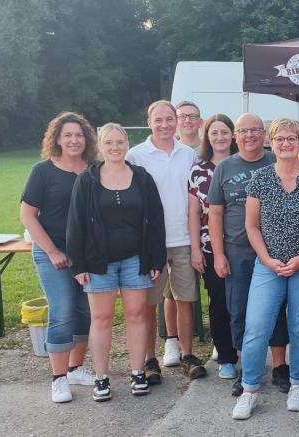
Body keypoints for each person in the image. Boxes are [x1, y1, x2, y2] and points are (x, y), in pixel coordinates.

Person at [67, 123, 167, 401]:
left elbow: (156, 220)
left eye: (120, 142)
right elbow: (75, 225)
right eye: (109, 142)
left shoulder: (142, 178)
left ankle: (137, 372)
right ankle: (101, 378)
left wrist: (156, 257)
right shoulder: (87, 180)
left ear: (127, 144)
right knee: (101, 319)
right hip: (99, 263)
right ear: (100, 146)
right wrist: (79, 264)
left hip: (137, 260)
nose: (115, 147)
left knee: (136, 316)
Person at [233, 118, 299, 419]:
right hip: (268, 264)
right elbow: (251, 225)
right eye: (280, 138)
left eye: (291, 138)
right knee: (257, 326)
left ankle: (298, 384)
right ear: (272, 141)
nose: (286, 144)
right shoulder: (259, 178)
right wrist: (268, 259)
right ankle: (249, 389)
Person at [20, 111, 97, 403]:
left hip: (86, 256)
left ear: (87, 139)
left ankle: (76, 368)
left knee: (85, 313)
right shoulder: (43, 171)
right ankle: (59, 378)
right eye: (68, 135)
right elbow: (27, 215)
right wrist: (52, 251)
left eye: (79, 135)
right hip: (53, 254)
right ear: (57, 139)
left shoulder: (94, 169)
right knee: (62, 311)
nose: (74, 140)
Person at [126, 100, 204, 382]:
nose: (165, 125)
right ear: (149, 122)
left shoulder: (188, 154)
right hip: (151, 241)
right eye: (158, 120)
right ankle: (149, 359)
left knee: (185, 299)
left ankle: (187, 354)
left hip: (183, 237)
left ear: (176, 121)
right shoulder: (136, 155)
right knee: (149, 302)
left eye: (169, 119)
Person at [207, 113, 285, 396]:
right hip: (237, 250)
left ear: (264, 134)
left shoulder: (275, 162)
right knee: (239, 310)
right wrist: (218, 254)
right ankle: (247, 368)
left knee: (275, 311)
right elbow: (215, 213)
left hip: (274, 248)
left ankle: (279, 367)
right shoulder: (225, 168)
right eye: (243, 130)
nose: (250, 135)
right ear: (235, 135)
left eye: (255, 130)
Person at [188, 114, 239, 380]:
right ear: (207, 137)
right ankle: (226, 356)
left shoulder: (244, 165)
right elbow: (194, 213)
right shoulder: (199, 170)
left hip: (245, 245)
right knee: (219, 302)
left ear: (233, 135)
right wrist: (196, 249)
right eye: (214, 133)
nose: (220, 137)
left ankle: (247, 351)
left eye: (224, 132)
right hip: (210, 246)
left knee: (245, 303)